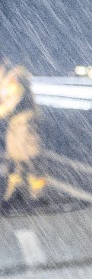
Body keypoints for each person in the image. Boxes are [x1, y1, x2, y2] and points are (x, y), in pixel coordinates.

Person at [0, 56, 44, 204]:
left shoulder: (14, 76)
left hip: (25, 121)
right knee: (14, 158)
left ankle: (37, 194)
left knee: (29, 157)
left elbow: (14, 100)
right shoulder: (3, 77)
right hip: (14, 122)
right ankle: (15, 193)